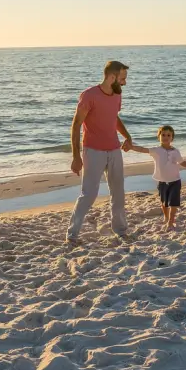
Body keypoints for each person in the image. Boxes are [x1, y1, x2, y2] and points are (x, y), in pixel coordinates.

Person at [67, 61, 132, 244]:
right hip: (93, 151)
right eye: (122, 79)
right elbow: (76, 124)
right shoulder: (89, 95)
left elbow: (114, 118)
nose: (125, 83)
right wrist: (76, 156)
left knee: (118, 192)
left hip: (114, 150)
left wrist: (127, 136)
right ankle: (72, 235)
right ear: (112, 77)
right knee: (88, 194)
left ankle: (120, 230)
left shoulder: (117, 95)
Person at [129, 125, 186, 230]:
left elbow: (182, 162)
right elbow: (142, 149)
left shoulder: (175, 151)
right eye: (163, 135)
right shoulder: (156, 150)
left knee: (173, 202)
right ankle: (166, 217)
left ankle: (171, 221)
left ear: (172, 138)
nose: (165, 137)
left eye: (168, 135)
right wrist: (131, 147)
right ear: (158, 136)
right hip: (162, 181)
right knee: (164, 203)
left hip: (175, 180)